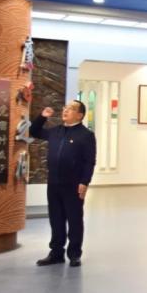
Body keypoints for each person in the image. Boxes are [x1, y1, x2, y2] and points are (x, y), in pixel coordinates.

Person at [30, 100, 96, 267]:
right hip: (54, 183)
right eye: (65, 107)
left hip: (73, 184)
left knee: (74, 219)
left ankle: (74, 254)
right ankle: (56, 253)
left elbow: (89, 161)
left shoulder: (86, 135)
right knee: (56, 219)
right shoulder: (56, 131)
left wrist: (85, 182)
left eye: (71, 109)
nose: (65, 110)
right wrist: (42, 117)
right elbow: (34, 131)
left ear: (80, 115)